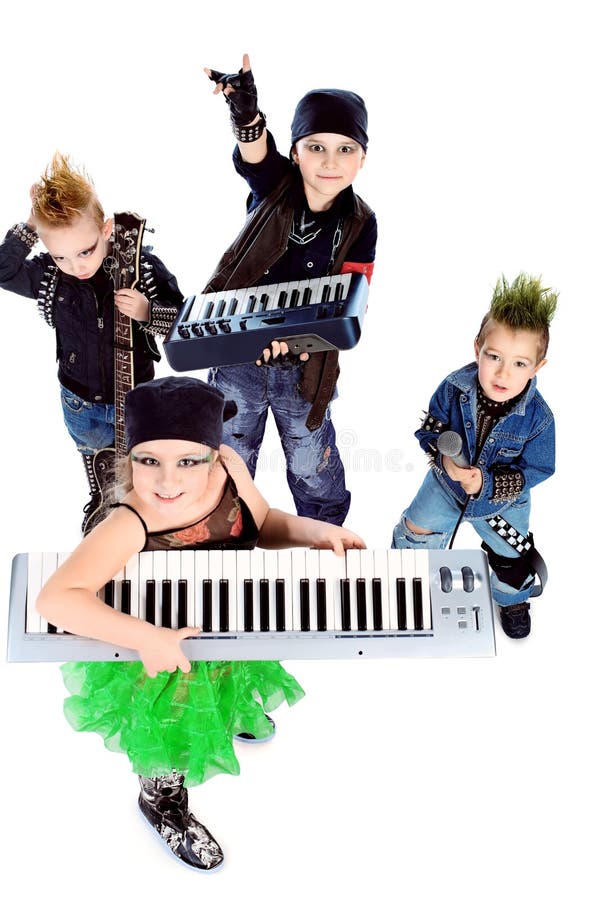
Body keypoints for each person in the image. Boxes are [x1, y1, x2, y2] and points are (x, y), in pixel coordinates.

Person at [37, 375, 365, 872]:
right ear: (131, 460)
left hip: (218, 627)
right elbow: (55, 598)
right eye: (150, 461)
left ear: (215, 454)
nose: (168, 482)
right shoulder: (131, 521)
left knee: (226, 685)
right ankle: (161, 799)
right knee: (170, 734)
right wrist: (147, 637)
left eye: (188, 461)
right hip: (161, 658)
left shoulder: (231, 470)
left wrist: (310, 531)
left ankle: (227, 717)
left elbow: (260, 523)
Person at [203, 54, 377, 525]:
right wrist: (244, 114)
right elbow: (256, 153)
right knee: (229, 452)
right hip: (239, 356)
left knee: (310, 461)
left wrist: (300, 341)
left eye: (345, 149)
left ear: (363, 158)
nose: (329, 161)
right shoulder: (275, 184)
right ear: (296, 152)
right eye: (316, 146)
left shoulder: (362, 222)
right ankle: (222, 532)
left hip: (307, 366)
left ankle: (323, 535)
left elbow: (350, 306)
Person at [0, 152, 183, 531]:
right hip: (79, 401)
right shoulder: (50, 277)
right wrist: (32, 225)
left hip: (135, 395)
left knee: (142, 465)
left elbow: (183, 323)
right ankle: (102, 501)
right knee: (97, 462)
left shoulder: (140, 270)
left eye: (86, 251)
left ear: (106, 231)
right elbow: (4, 271)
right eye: (61, 256)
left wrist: (149, 312)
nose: (77, 266)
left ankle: (148, 519)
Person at [391, 273, 557, 639]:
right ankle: (408, 586)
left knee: (510, 555)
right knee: (415, 533)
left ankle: (512, 597)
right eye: (493, 356)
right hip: (446, 487)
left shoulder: (540, 418)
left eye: (519, 363)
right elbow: (430, 431)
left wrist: (489, 482)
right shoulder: (453, 388)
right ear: (477, 348)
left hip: (503, 502)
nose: (502, 373)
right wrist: (445, 459)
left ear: (537, 367)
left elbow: (540, 467)